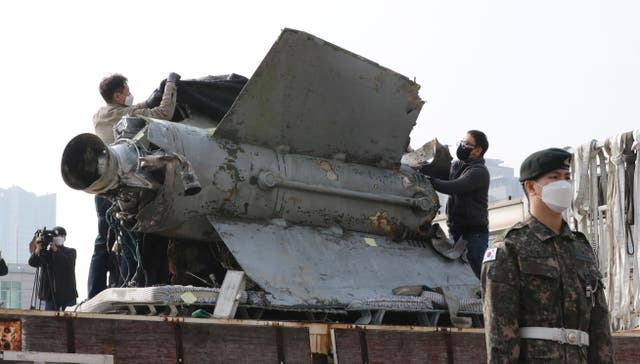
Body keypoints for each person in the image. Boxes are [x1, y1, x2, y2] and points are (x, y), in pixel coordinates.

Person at [481, 148, 614, 363]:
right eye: (554, 178)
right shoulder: (509, 248)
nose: (563, 184)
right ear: (531, 187)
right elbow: (500, 334)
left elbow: (600, 327)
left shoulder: (581, 248)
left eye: (567, 177)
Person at [89, 72, 180, 298]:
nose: (131, 94)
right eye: (127, 91)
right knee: (130, 240)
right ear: (119, 95)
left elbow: (131, 109)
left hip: (101, 190)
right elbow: (163, 113)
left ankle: (95, 294)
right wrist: (170, 86)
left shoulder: (100, 116)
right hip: (123, 188)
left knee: (104, 242)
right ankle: (130, 287)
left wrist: (148, 100)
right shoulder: (124, 115)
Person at [416, 130, 490, 279]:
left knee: (478, 276)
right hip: (456, 232)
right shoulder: (457, 166)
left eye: (467, 144)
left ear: (478, 150)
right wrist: (416, 164)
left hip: (474, 235)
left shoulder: (479, 172)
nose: (462, 146)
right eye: (462, 142)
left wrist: (429, 181)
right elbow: (437, 171)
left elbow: (453, 187)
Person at [28, 227, 78, 311]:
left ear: (64, 238)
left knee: (70, 320)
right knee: (50, 321)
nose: (58, 237)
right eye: (55, 236)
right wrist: (38, 249)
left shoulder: (71, 251)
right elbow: (33, 263)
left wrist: (56, 250)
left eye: (60, 235)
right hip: (50, 295)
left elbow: (68, 264)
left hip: (68, 294)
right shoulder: (47, 254)